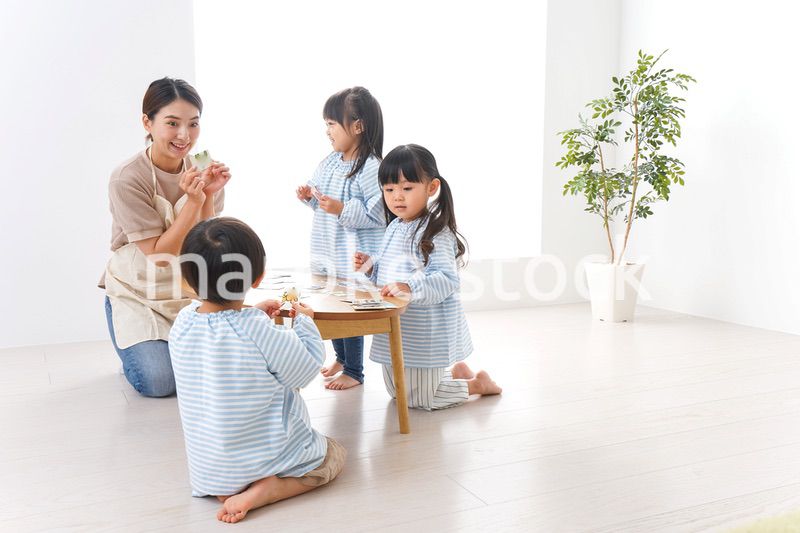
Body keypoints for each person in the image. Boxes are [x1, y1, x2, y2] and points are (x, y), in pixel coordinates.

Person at [169, 217, 346, 524]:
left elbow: (225, 334)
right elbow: (304, 371)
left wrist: (251, 313)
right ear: (258, 277)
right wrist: (305, 322)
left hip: (209, 472)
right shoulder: (258, 331)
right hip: (265, 457)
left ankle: (234, 485)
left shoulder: (183, 323)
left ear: (188, 277)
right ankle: (268, 489)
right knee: (332, 455)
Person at [101, 77, 231, 397]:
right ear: (148, 122)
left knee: (225, 367)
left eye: (193, 124)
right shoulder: (127, 177)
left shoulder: (202, 164)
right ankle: (129, 338)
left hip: (185, 289)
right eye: (172, 123)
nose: (184, 135)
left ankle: (163, 349)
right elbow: (159, 255)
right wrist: (197, 202)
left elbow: (205, 241)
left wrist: (211, 196)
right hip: (139, 291)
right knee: (160, 382)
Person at [354, 144, 502, 410]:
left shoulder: (436, 230)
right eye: (389, 190)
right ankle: (457, 375)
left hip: (425, 330)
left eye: (407, 188)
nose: (397, 197)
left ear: (431, 188)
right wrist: (371, 266)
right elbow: (388, 267)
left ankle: (477, 384)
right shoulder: (395, 227)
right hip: (399, 326)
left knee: (421, 399)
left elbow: (445, 278)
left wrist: (409, 287)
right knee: (396, 393)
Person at [296, 86, 385, 390]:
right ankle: (341, 357)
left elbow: (378, 214)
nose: (328, 131)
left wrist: (342, 208)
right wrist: (309, 196)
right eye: (327, 125)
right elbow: (321, 195)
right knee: (332, 307)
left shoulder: (371, 168)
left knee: (349, 312)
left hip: (352, 256)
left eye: (332, 124)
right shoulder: (331, 161)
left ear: (357, 126)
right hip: (327, 249)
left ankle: (355, 371)